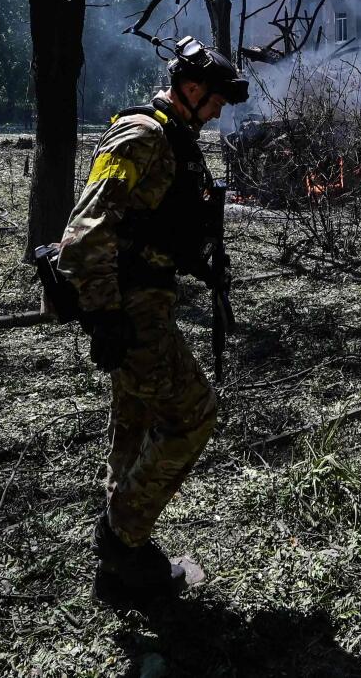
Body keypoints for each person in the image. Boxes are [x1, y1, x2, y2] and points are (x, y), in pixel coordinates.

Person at [53, 37, 249, 594]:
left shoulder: (174, 138)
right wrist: (105, 317)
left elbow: (158, 224)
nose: (216, 113)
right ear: (190, 88)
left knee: (135, 427)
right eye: (213, 102)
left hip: (145, 303)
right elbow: (84, 232)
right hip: (131, 311)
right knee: (193, 416)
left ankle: (120, 567)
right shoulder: (144, 135)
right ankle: (122, 539)